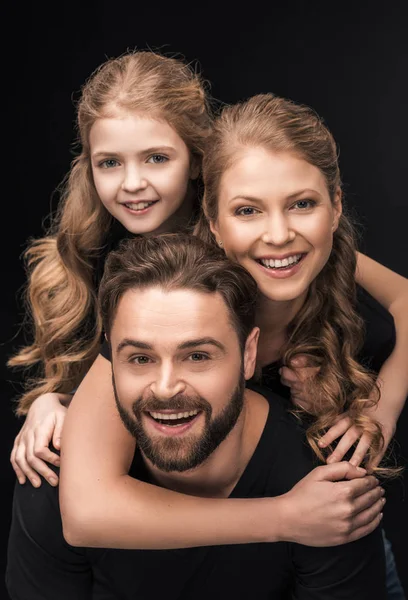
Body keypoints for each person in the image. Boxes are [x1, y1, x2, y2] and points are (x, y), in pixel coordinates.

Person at [7, 51, 407, 575]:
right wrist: (57, 402)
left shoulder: (304, 243)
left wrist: (381, 407)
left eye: (156, 158)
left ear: (333, 206)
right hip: (228, 526)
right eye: (246, 211)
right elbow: (88, 509)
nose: (278, 232)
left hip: (329, 521)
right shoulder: (179, 286)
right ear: (215, 222)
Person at [6, 233, 388, 600]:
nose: (166, 387)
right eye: (140, 358)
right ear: (109, 360)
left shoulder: (327, 493)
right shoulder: (51, 471)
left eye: (198, 356)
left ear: (248, 354)